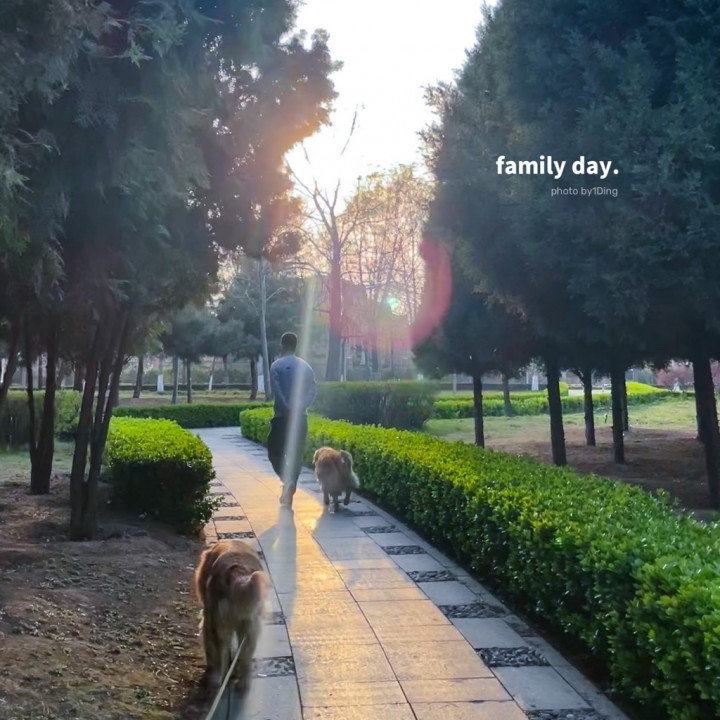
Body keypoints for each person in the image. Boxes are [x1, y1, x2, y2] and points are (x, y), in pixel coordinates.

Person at [267, 332, 317, 507]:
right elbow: (312, 390)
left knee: (274, 452)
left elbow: (277, 390)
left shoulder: (276, 366)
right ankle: (290, 487)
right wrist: (300, 406)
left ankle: (286, 480)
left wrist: (287, 406)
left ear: (282, 345)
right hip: (301, 418)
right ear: (296, 346)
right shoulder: (306, 367)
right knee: (296, 454)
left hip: (281, 417)